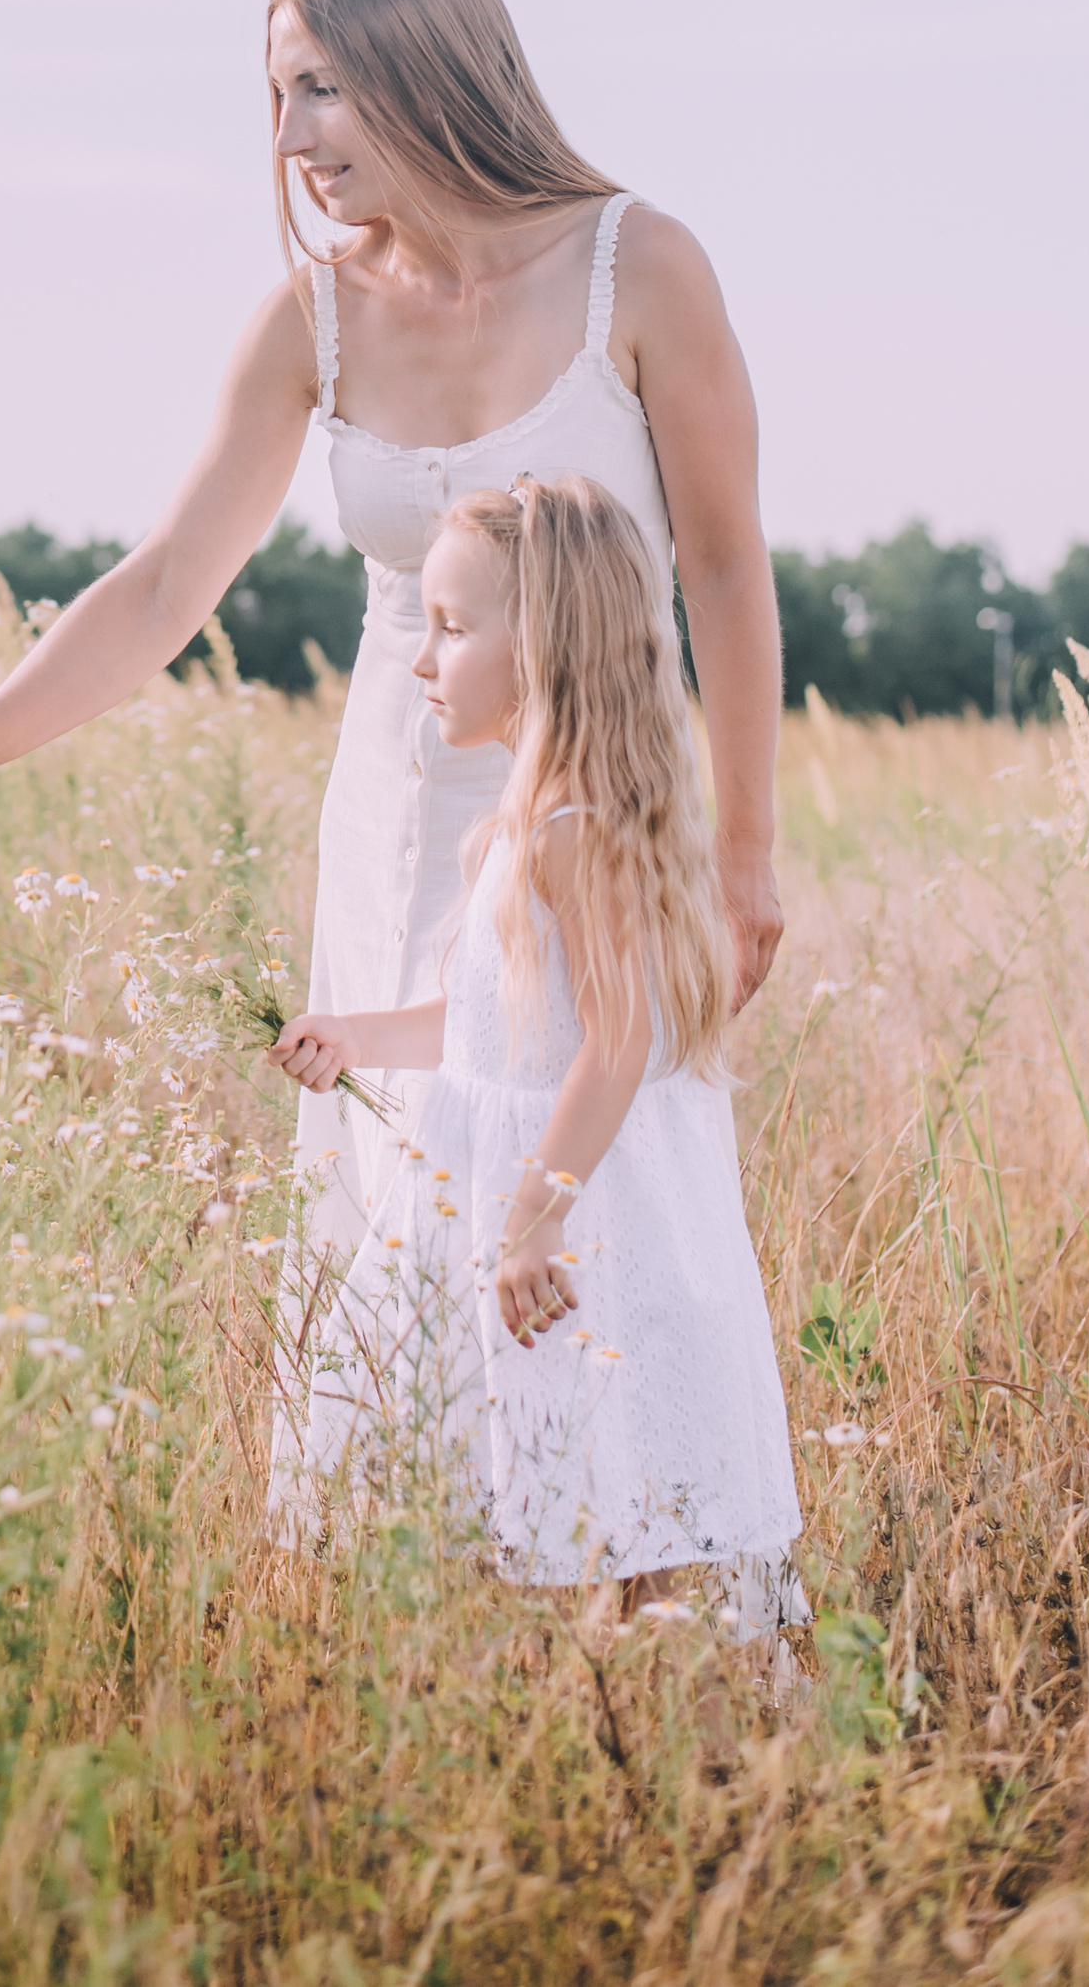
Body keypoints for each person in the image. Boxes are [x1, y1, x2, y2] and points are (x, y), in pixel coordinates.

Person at [0, 0, 784, 1292]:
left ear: (430, 69)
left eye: (322, 88)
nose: (289, 137)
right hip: (398, 819)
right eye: (278, 95)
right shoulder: (313, 317)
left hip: (603, 809)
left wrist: (745, 849)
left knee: (602, 1202)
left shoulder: (638, 267)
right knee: (400, 1213)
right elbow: (165, 583)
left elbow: (727, 566)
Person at [267, 476, 803, 1632]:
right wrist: (356, 1035)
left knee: (603, 1487)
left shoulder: (577, 829)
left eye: (452, 627)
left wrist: (534, 1214)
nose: (423, 659)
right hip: (522, 1197)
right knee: (528, 1476)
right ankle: (567, 1687)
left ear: (545, 645)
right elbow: (491, 1029)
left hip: (577, 1218)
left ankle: (636, 1689)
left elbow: (618, 1039)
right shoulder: (521, 822)